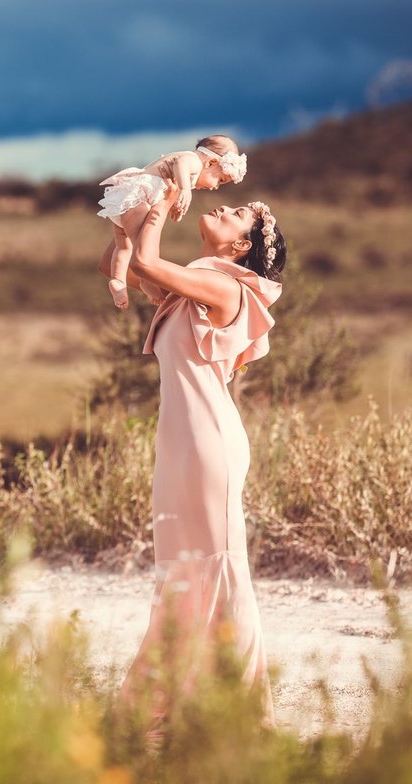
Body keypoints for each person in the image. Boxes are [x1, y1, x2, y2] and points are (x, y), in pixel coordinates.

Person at [116, 181, 286, 744]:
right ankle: (179, 695)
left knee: (219, 565)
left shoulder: (223, 289)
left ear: (240, 247)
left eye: (237, 214)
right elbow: (123, 264)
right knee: (180, 572)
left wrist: (166, 202)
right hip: (180, 446)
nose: (225, 207)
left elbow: (145, 259)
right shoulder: (189, 293)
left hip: (209, 442)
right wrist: (131, 209)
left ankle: (239, 703)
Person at [96, 135, 247, 310]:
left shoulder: (191, 170)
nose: (215, 187)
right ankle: (145, 280)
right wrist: (184, 190)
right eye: (220, 180)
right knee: (143, 243)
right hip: (137, 200)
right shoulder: (194, 161)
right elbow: (180, 163)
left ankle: (118, 280)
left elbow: (169, 188)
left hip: (127, 201)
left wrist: (173, 204)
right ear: (211, 163)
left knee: (124, 246)